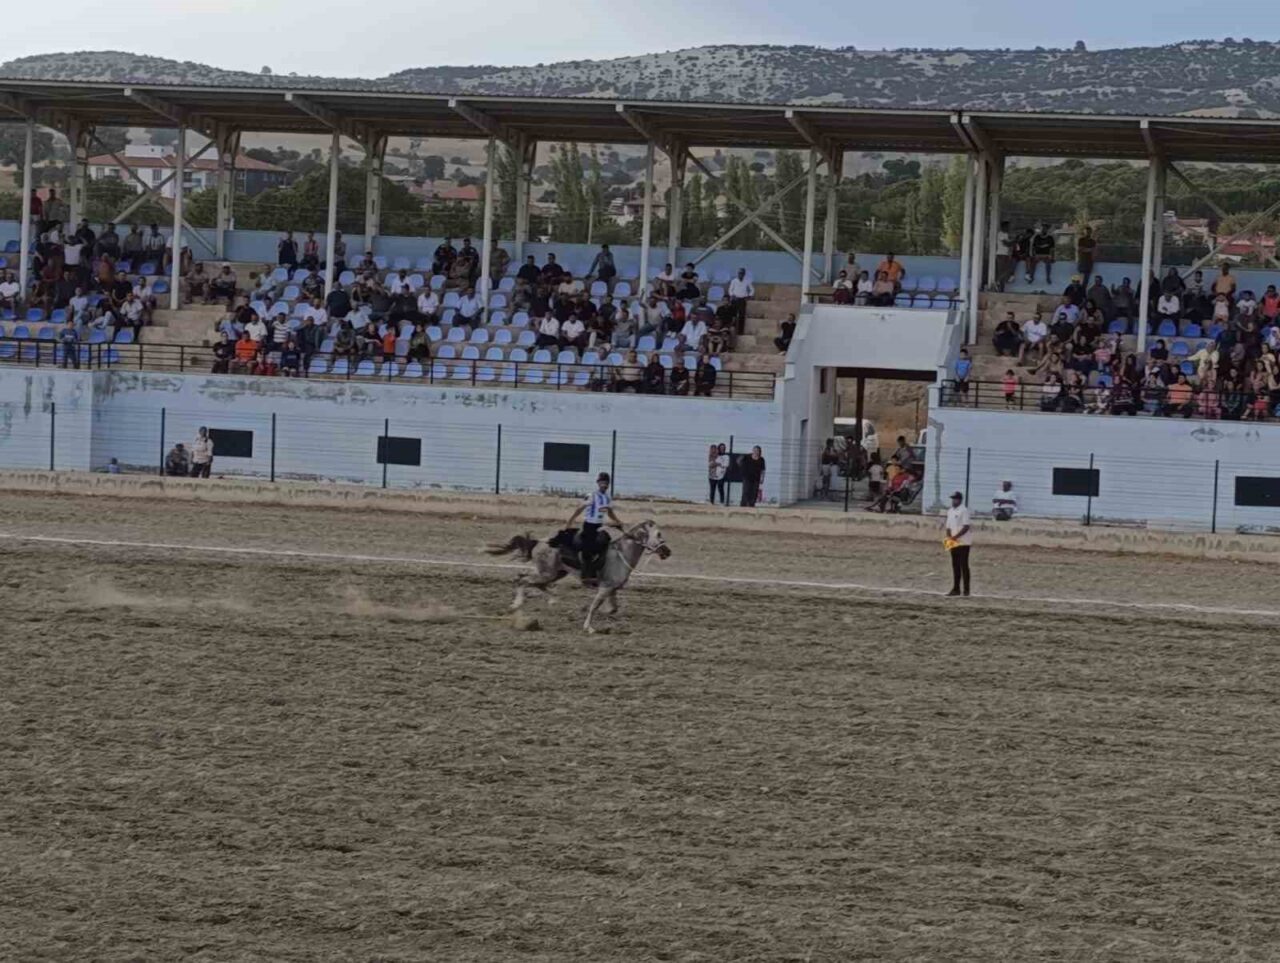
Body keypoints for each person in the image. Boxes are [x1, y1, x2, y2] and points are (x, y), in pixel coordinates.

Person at [565, 472, 623, 583]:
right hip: (589, 526)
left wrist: (617, 521)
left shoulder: (607, 497)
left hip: (599, 526)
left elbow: (609, 511)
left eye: (606, 483)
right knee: (588, 548)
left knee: (607, 544)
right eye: (602, 482)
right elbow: (580, 508)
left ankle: (602, 570)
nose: (604, 485)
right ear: (598, 483)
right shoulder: (592, 496)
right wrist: (570, 520)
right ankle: (586, 575)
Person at [944, 491, 973, 597]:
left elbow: (966, 526)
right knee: (955, 565)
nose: (953, 501)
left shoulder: (964, 511)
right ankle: (956, 588)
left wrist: (955, 537)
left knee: (963, 565)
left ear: (960, 500)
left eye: (955, 499)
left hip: (964, 542)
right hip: (953, 541)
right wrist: (949, 537)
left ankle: (966, 589)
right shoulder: (950, 511)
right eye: (953, 499)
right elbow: (948, 526)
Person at [727, 268, 754, 334]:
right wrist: (732, 295)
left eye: (742, 273)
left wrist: (749, 295)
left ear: (744, 274)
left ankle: (740, 332)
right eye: (739, 273)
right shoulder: (734, 281)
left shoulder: (747, 281)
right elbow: (730, 290)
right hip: (735, 300)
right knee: (733, 315)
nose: (740, 275)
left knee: (742, 316)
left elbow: (752, 289)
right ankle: (732, 330)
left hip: (742, 300)